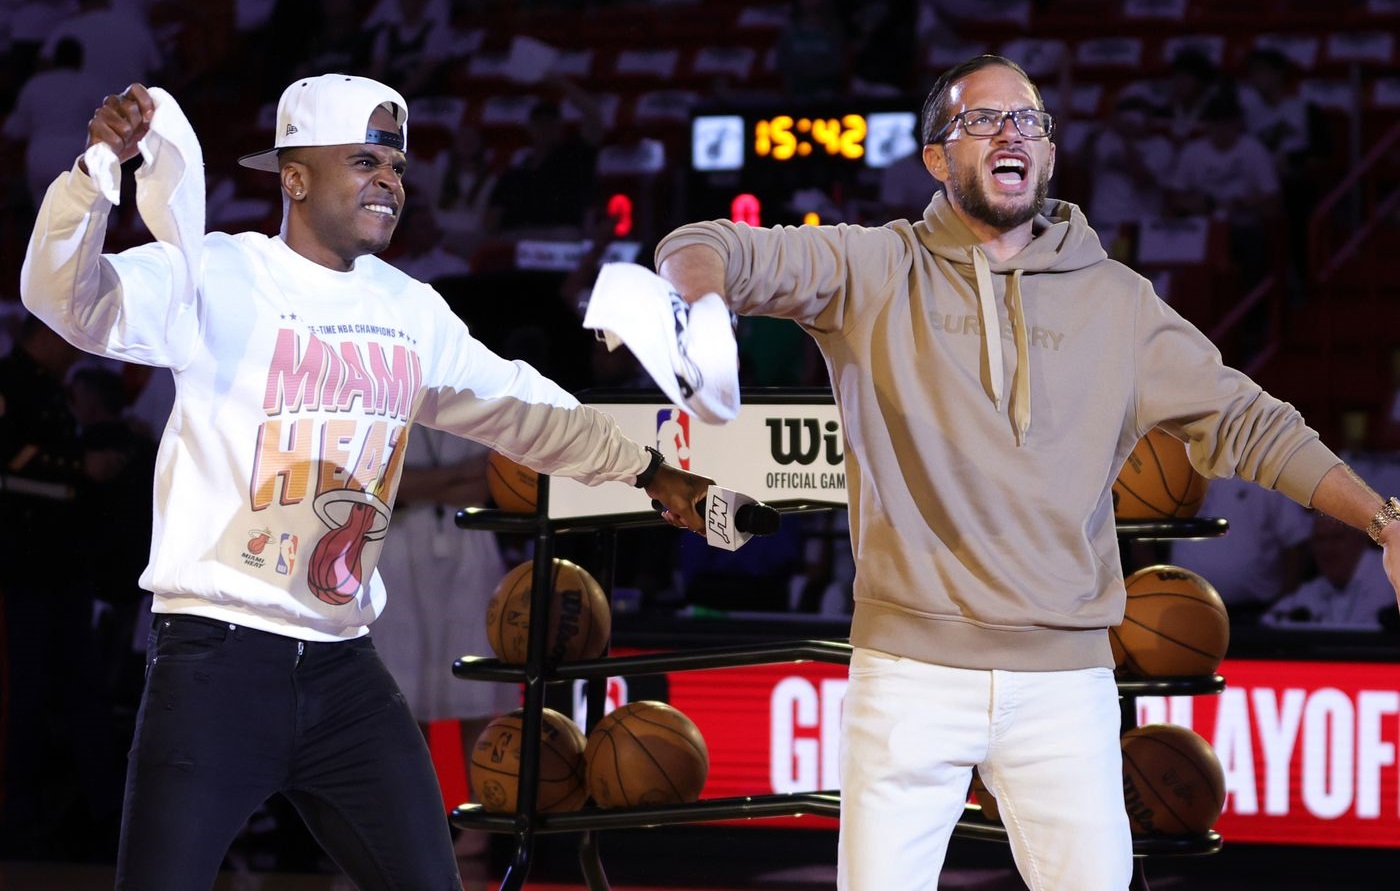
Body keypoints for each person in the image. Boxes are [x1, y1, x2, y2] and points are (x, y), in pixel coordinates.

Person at [651, 54, 1400, 890]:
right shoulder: (871, 267)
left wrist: (1384, 521)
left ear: (1047, 154)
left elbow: (1250, 421)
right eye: (983, 119)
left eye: (1030, 120)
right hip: (908, 674)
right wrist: (707, 309)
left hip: (1067, 681)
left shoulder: (1119, 302)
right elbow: (700, 242)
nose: (1012, 131)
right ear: (936, 157)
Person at [20, 72, 713, 889]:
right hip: (215, 661)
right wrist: (95, 173)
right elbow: (65, 297)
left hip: (345, 670)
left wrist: (648, 468)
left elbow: (526, 407)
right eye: (363, 161)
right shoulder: (214, 274)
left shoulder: (410, 309)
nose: (389, 180)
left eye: (397, 167)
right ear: (294, 176)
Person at [0, 314, 125, 860]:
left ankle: (106, 814)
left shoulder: (50, 389)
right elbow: (12, 463)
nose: (76, 354)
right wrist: (82, 465)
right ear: (43, 336)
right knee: (23, 695)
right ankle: (16, 816)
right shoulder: (10, 384)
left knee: (84, 690)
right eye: (68, 341)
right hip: (21, 568)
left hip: (62, 566)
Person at [1168, 475, 1314, 624]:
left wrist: (1282, 605)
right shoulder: (1176, 466)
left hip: (1253, 616)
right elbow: (1144, 524)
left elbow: (1297, 541)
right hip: (1184, 609)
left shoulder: (1266, 468)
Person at [1262, 514, 1397, 631]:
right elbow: (1269, 622)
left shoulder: (1393, 579)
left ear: (1360, 538)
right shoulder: (1310, 592)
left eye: (1336, 538)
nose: (1327, 549)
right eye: (1321, 540)